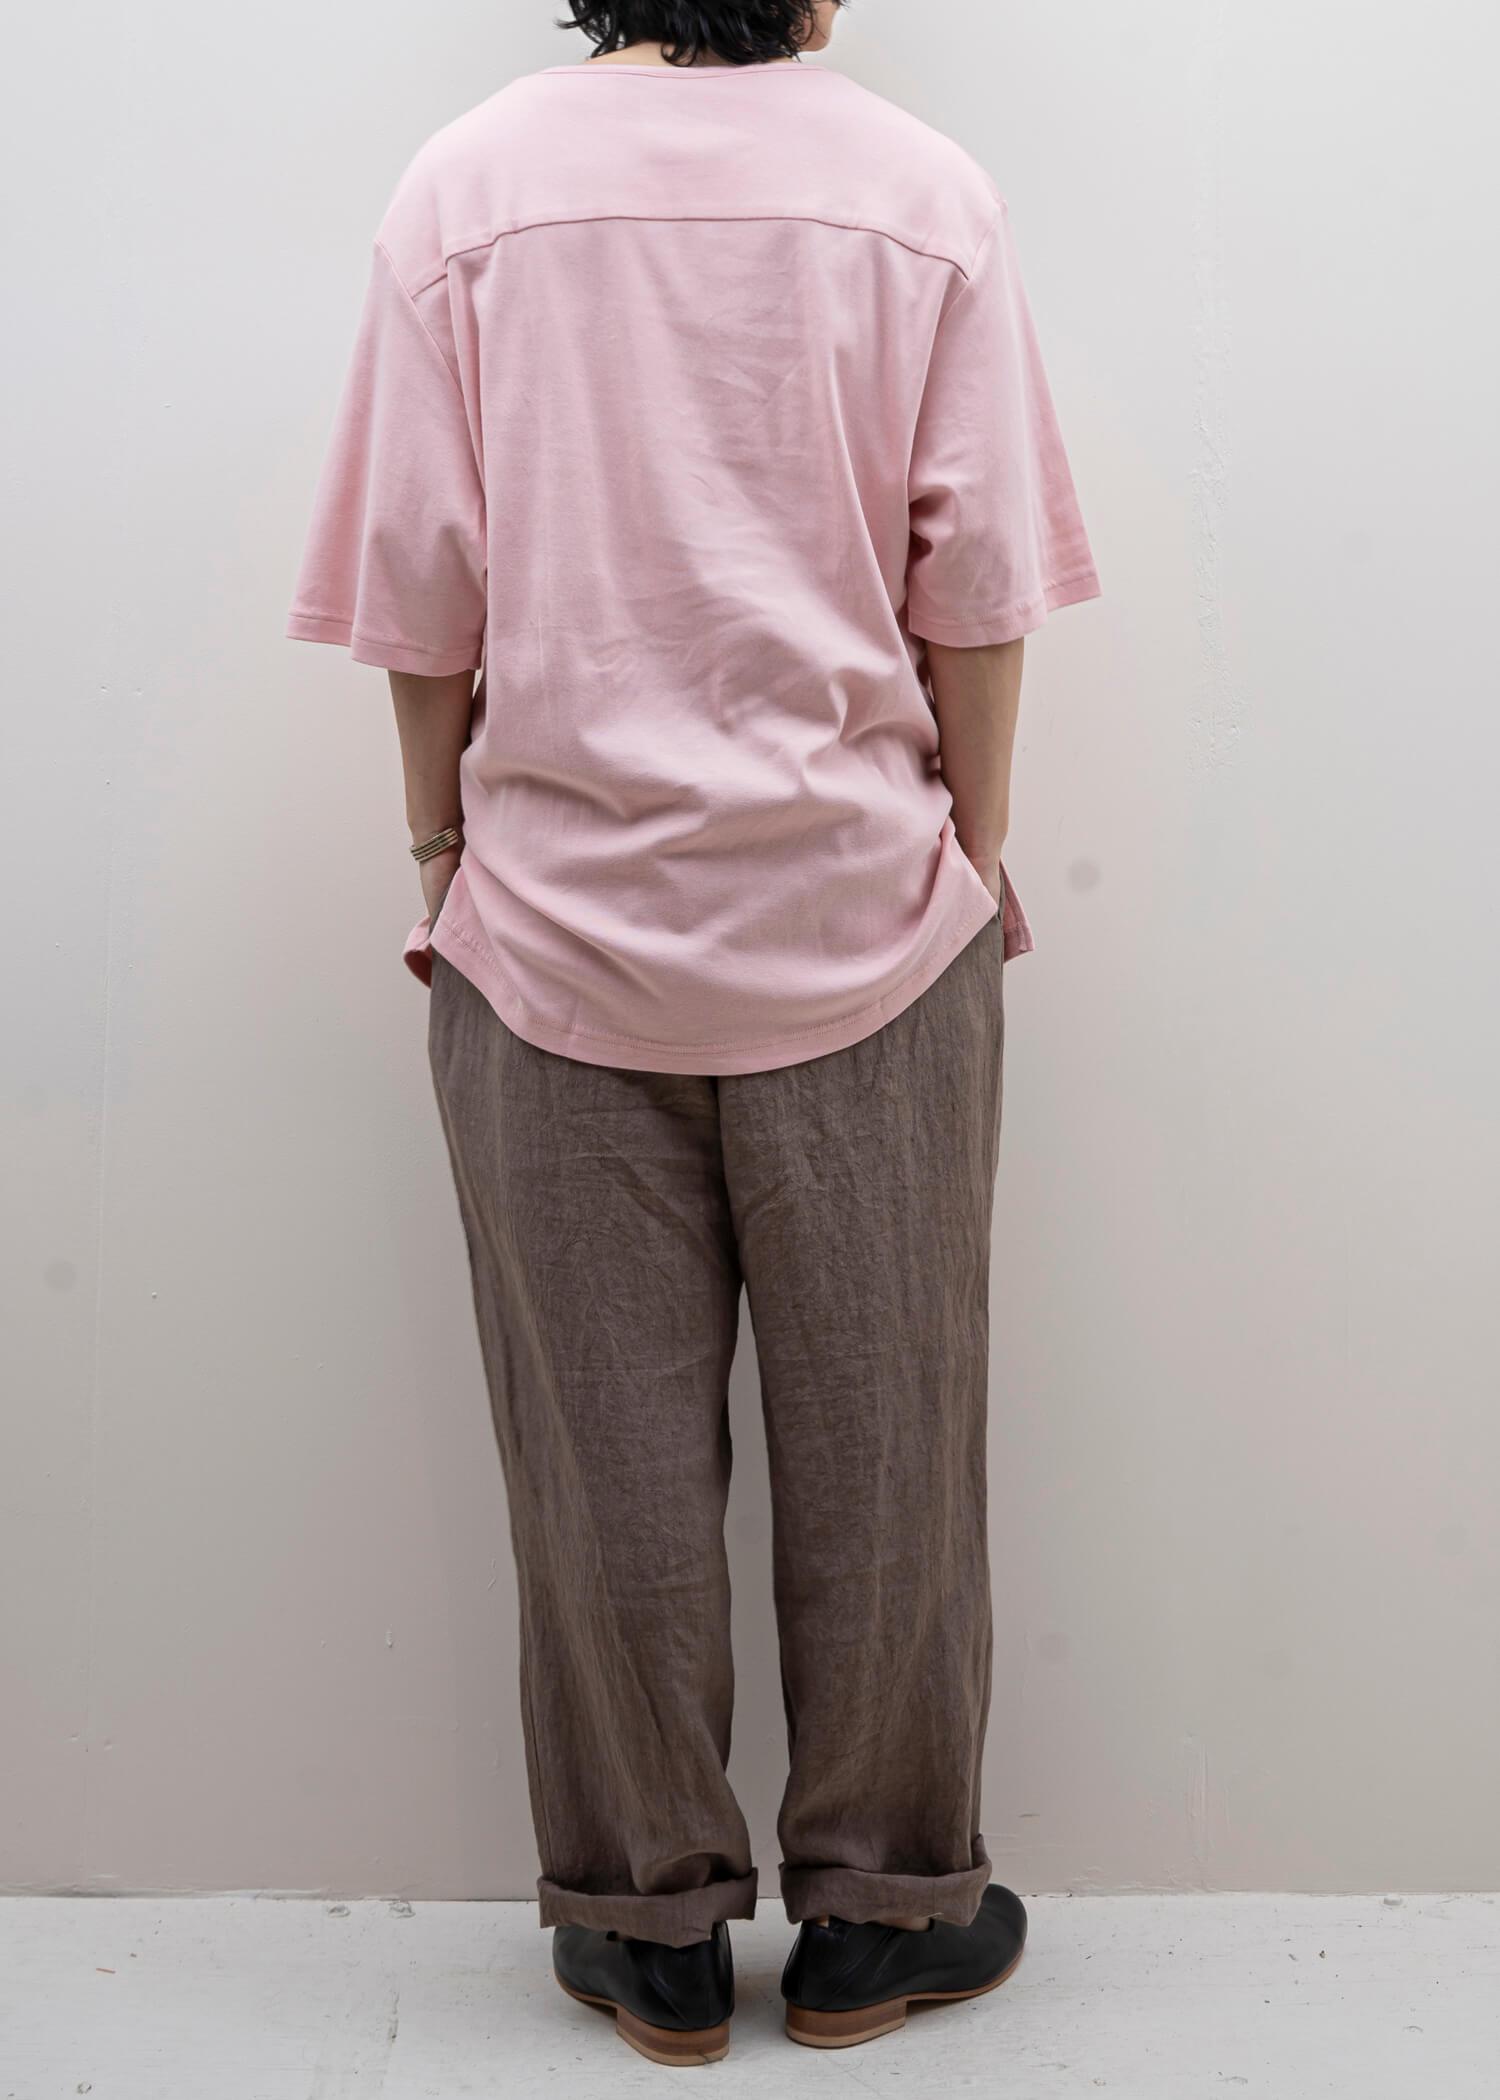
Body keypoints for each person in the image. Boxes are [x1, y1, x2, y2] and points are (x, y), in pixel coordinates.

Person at [287, 0, 1099, 2065]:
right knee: (892, 1447)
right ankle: (883, 1916)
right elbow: (978, 590)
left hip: (555, 939)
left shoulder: (465, 190)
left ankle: (645, 1927)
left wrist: (439, 849)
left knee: (602, 1470)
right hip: (863, 925)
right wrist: (974, 850)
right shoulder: (921, 191)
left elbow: (421, 598)